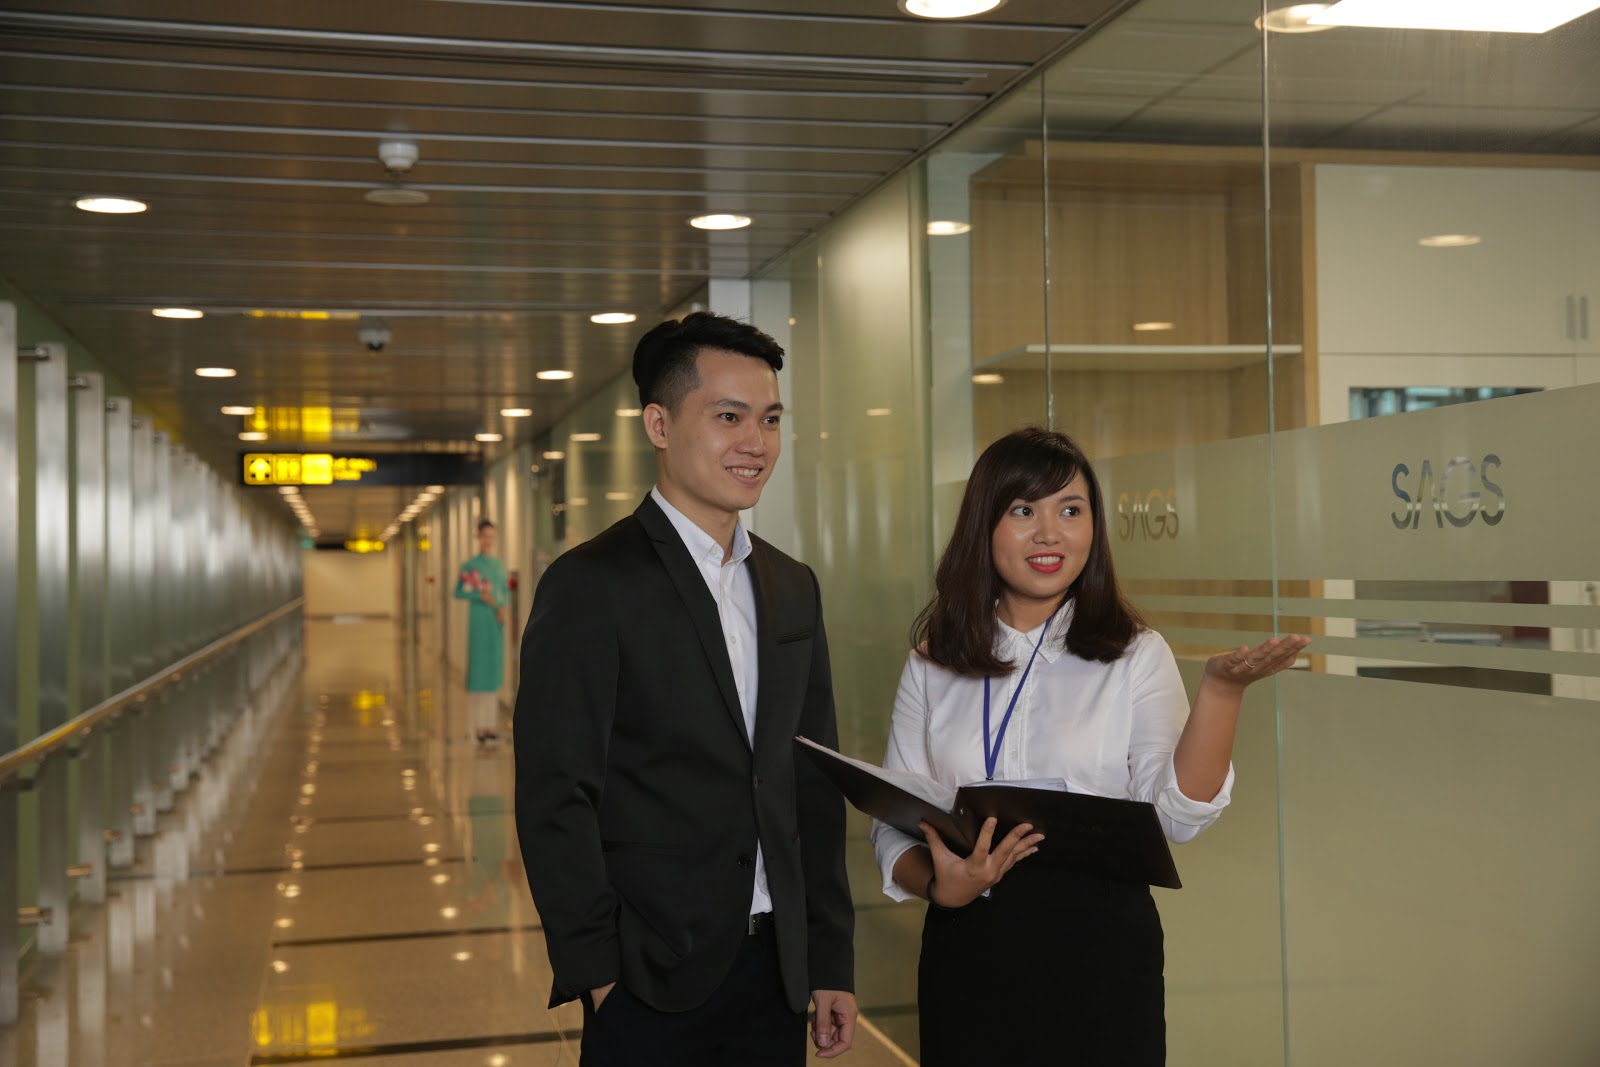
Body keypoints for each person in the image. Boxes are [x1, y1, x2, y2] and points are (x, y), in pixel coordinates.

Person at [870, 427, 1309, 1066]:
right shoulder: (935, 663)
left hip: (1100, 945)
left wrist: (1220, 692)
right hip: (969, 939)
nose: (1050, 533)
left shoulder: (1134, 653)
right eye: (1024, 511)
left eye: (1070, 511)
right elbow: (894, 821)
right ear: (983, 527)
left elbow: (1178, 818)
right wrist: (941, 887)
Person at [514, 311, 857, 1065]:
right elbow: (554, 793)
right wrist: (598, 973)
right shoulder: (591, 585)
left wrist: (829, 958)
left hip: (776, 975)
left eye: (769, 419)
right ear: (660, 424)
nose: (755, 443)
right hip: (649, 981)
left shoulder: (792, 587)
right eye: (728, 417)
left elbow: (811, 781)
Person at [455, 518, 509, 743]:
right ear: (477, 537)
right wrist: (480, 596)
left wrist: (502, 607)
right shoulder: (470, 566)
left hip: (495, 621)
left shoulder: (499, 565)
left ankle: (490, 726)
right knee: (479, 672)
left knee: (494, 672)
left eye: (492, 536)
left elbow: (504, 591)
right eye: (484, 536)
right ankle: (477, 727)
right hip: (479, 620)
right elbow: (458, 592)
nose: (488, 540)